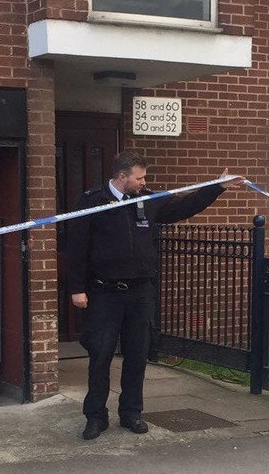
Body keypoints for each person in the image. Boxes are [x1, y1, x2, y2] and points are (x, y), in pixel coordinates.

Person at [67, 151, 241, 440]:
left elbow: (185, 207)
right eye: (139, 177)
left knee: (137, 355)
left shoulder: (148, 200)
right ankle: (95, 416)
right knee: (101, 356)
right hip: (104, 293)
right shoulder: (93, 202)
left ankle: (132, 413)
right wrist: (76, 288)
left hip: (140, 292)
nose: (144, 182)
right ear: (121, 177)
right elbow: (77, 246)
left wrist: (217, 187)